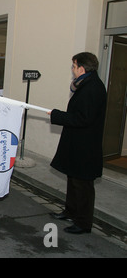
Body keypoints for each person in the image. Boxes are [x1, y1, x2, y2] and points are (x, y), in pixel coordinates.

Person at [48, 52, 107, 234]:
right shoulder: (85, 84)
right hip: (77, 143)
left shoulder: (93, 88)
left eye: (74, 66)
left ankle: (83, 223)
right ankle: (71, 211)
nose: (72, 70)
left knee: (83, 186)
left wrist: (57, 115)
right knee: (73, 180)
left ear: (81, 68)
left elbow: (84, 118)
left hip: (85, 146)